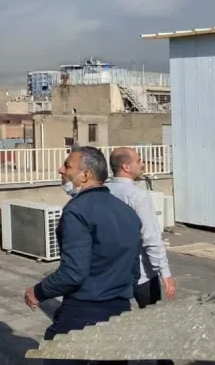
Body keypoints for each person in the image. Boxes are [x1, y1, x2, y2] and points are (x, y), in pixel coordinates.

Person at [24, 146, 141, 365]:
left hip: (83, 313)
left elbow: (73, 273)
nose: (61, 170)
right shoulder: (127, 212)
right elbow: (134, 270)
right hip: (120, 313)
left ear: (85, 175)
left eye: (67, 166)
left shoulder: (77, 210)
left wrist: (38, 292)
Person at [106, 147, 176, 308]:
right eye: (138, 160)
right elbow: (150, 237)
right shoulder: (138, 196)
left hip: (111, 271)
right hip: (141, 273)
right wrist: (165, 273)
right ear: (126, 167)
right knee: (150, 316)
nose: (142, 164)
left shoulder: (104, 191)